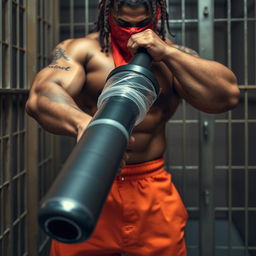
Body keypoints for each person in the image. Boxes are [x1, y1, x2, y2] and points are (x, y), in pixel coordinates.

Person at [26, 0, 240, 255]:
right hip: (91, 181)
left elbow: (227, 96)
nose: (133, 32)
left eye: (142, 24)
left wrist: (168, 53)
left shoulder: (174, 57)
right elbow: (42, 96)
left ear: (157, 15)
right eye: (124, 24)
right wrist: (85, 124)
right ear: (108, 16)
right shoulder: (83, 50)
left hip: (151, 186)